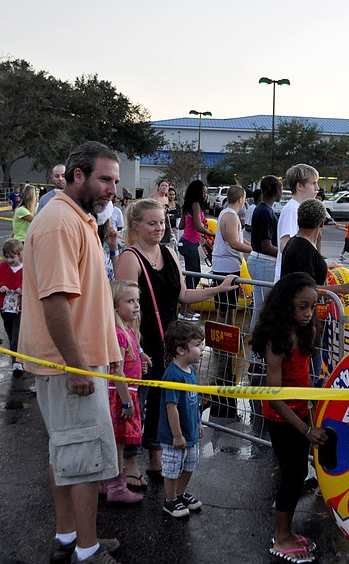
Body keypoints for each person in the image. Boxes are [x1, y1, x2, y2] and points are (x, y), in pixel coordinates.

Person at [20, 141, 127, 563]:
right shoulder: (60, 223)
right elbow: (56, 301)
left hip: (79, 361)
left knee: (65, 450)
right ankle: (87, 548)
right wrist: (78, 366)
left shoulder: (80, 219)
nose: (112, 189)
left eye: (115, 181)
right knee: (82, 457)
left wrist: (110, 351)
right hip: (70, 366)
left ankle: (69, 536)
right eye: (105, 179)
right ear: (77, 176)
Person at [113, 198, 236, 486]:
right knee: (135, 400)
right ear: (136, 226)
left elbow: (183, 295)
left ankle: (155, 455)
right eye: (151, 223)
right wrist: (136, 347)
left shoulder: (169, 253)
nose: (159, 228)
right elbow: (122, 307)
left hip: (169, 344)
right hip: (141, 344)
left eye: (162, 222)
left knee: (160, 401)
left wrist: (218, 289)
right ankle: (130, 462)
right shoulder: (130, 258)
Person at [251, 273, 328, 564]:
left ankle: (287, 533)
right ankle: (281, 537)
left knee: (295, 476)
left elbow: (303, 378)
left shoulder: (305, 331)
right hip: (282, 418)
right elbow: (274, 395)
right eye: (302, 307)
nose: (308, 313)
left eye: (312, 306)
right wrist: (306, 429)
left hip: (299, 415)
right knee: (292, 476)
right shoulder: (277, 339)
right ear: (286, 305)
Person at [103, 280, 145, 505]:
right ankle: (116, 486)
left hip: (125, 393)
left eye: (137, 301)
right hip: (121, 396)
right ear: (115, 306)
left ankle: (105, 483)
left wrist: (141, 357)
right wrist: (127, 401)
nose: (136, 306)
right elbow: (116, 371)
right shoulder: (119, 334)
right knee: (118, 443)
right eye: (130, 301)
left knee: (116, 441)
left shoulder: (129, 330)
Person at [158, 320, 205, 519]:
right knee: (172, 466)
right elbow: (172, 407)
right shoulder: (173, 375)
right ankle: (170, 499)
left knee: (190, 464)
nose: (202, 349)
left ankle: (179, 492)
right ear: (181, 350)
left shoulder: (191, 371)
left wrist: (198, 421)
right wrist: (177, 435)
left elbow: (193, 402)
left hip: (190, 431)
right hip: (174, 435)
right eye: (197, 345)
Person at [280, 199, 349, 297]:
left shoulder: (295, 242)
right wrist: (340, 288)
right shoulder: (303, 249)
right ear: (322, 224)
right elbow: (304, 289)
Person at [211, 185, 252, 326]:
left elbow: (238, 238)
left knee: (230, 305)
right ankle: (223, 338)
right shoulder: (231, 216)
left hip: (228, 265)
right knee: (224, 306)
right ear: (241, 199)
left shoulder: (225, 213)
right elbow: (234, 242)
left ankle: (230, 331)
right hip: (226, 266)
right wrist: (252, 250)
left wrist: (253, 246)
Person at [247, 175, 282, 330]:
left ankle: (256, 347)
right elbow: (266, 246)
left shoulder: (263, 209)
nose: (282, 192)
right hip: (263, 261)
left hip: (261, 261)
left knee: (262, 307)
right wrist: (285, 253)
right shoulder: (265, 212)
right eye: (280, 188)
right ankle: (255, 349)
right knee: (262, 308)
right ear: (274, 190)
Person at [274, 164, 320, 282]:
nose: (317, 188)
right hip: (291, 281)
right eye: (313, 183)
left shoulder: (298, 208)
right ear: (300, 186)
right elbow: (285, 245)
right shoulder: (292, 210)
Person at [0, 239, 25, 378]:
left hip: (21, 307)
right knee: (10, 331)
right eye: (7, 257)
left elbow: (33, 283)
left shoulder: (27, 268)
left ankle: (17, 361)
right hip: (5, 306)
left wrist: (23, 289)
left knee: (17, 333)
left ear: (20, 254)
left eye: (12, 257)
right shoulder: (2, 268)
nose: (9, 260)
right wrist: (0, 286)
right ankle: (16, 351)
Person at [177, 180, 215, 300]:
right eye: (203, 192)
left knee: (190, 276)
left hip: (184, 242)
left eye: (206, 193)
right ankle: (185, 309)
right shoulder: (196, 205)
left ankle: (186, 308)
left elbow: (181, 226)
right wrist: (212, 234)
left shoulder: (188, 206)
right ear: (196, 192)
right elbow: (198, 226)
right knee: (194, 276)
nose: (205, 195)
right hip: (189, 244)